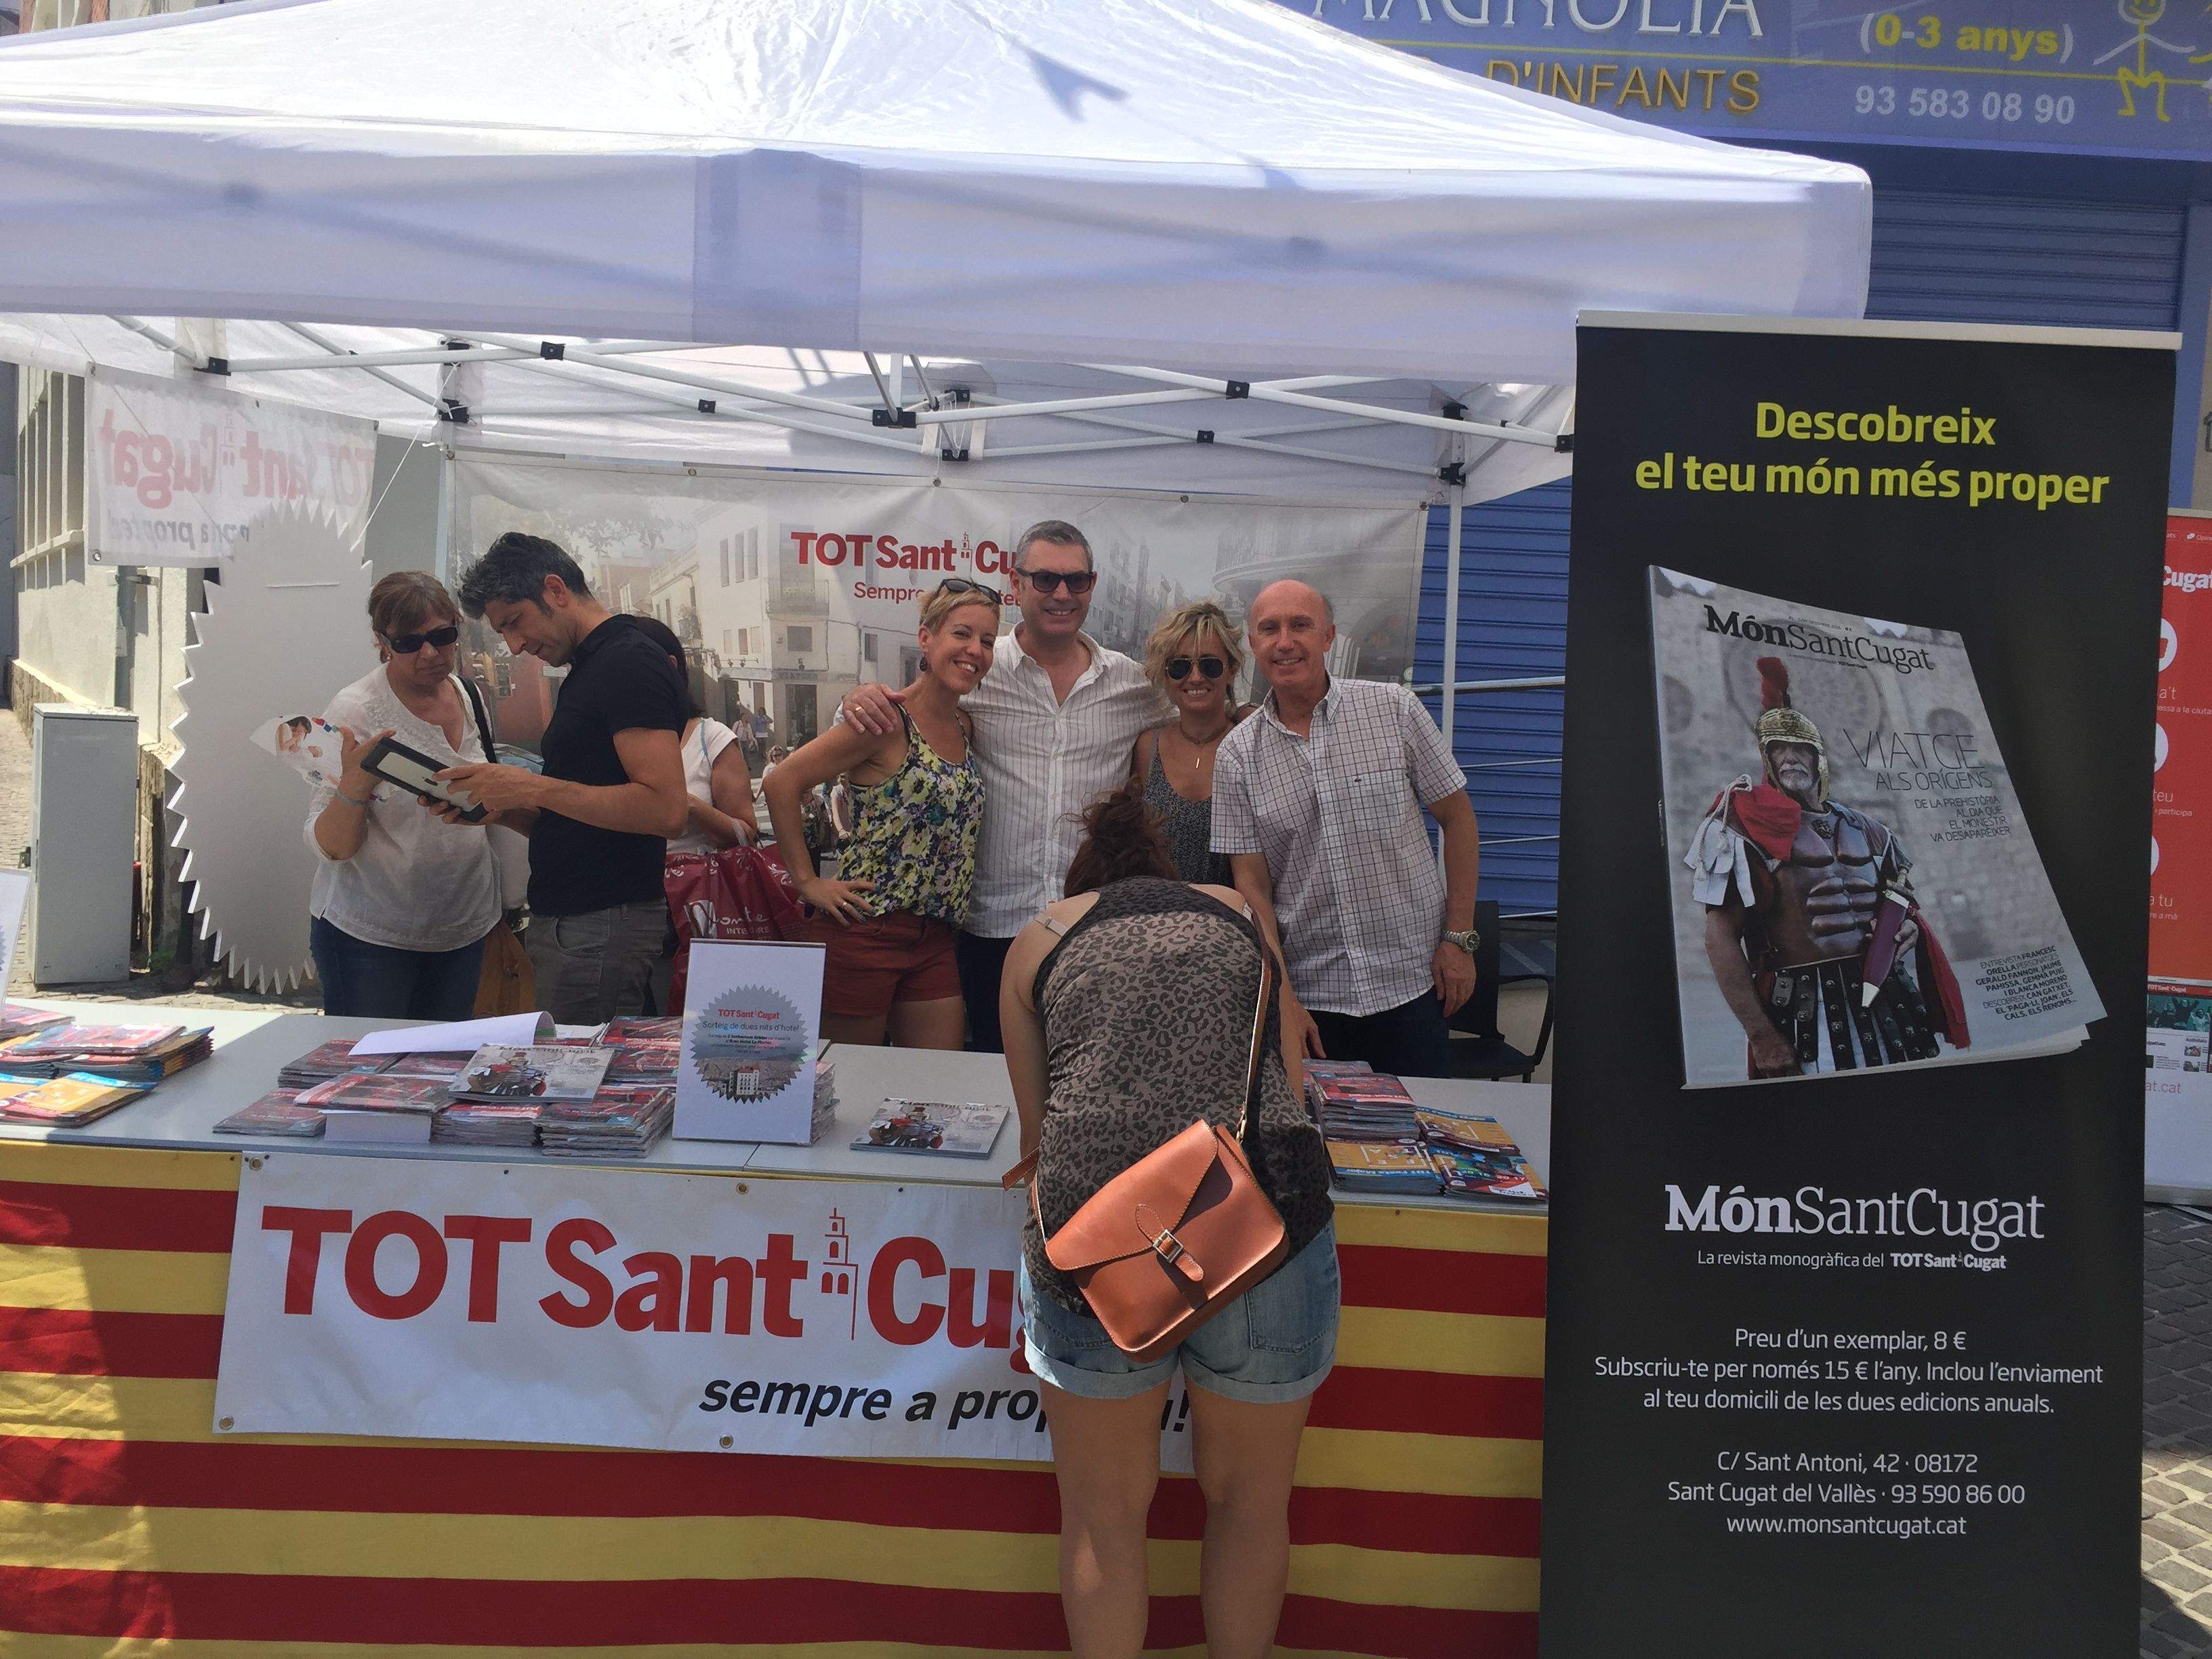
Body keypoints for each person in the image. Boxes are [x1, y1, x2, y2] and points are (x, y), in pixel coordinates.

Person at [1000, 778, 1336, 1659]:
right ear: (1171, 875)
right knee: (1252, 1503)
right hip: (1262, 1227)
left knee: (1103, 1518)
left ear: (1082, 889)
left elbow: (1039, 1137)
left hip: (1098, 1250)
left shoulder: (1038, 938)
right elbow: (1288, 1086)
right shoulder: (1236, 909)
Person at [843, 520, 1170, 1051]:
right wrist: (857, 697)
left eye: (1076, 581)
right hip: (992, 926)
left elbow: (1202, 714)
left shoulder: (1130, 683)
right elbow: (907, 708)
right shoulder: (977, 670)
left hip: (1089, 923)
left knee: (1083, 1084)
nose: (1061, 594)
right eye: (1044, 580)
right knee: (990, 1083)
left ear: (1092, 585)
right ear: (1016, 585)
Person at [1211, 579, 1481, 1078]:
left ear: (1330, 636)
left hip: (1414, 985)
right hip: (1314, 1003)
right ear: (1252, 645)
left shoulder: (1394, 711)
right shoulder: (1236, 756)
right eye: (1269, 629)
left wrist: (1460, 938)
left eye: (1301, 626)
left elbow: (1458, 819)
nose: (1285, 642)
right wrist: (1283, 1000)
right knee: (1321, 1148)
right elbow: (1253, 889)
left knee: (1421, 1140)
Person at [440, 532, 689, 1026]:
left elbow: (666, 811)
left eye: (514, 623)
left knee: (578, 1084)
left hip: (600, 922)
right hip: (580, 923)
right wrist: (504, 809)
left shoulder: (626, 661)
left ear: (555, 590)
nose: (514, 645)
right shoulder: (594, 665)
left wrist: (531, 787)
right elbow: (585, 819)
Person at [1689, 655, 1965, 1078]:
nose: (1790, 758)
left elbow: (1902, 902)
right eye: (1777, 749)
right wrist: (1761, 1035)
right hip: (1806, 1004)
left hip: (1890, 998)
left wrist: (1909, 925)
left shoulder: (1870, 829)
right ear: (1765, 759)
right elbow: (1720, 938)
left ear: (1819, 758)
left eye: (1801, 748)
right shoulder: (1744, 830)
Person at [763, 579, 997, 1049]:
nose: (975, 650)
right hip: (864, 931)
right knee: (850, 1088)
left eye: (987, 641)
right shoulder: (885, 719)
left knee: (932, 1093)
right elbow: (780, 782)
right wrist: (807, 883)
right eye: (962, 634)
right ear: (927, 639)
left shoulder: (964, 725)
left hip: (934, 940)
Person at [305, 571, 500, 1019]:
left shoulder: (469, 695)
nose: (430, 653)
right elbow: (328, 844)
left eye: (442, 636)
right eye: (410, 643)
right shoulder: (356, 709)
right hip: (372, 938)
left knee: (442, 1073)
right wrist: (354, 788)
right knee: (373, 1076)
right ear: (383, 642)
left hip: (464, 926)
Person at [1130, 600, 1248, 886]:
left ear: (1231, 670)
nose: (1195, 677)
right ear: (1166, 674)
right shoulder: (1148, 748)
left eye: (1210, 665)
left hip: (1228, 921)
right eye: (1180, 667)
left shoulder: (1248, 745)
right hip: (1158, 919)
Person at [630, 615, 755, 854]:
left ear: (669, 665)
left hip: (697, 887)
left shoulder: (712, 740)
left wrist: (685, 804)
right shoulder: (604, 742)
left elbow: (746, 836)